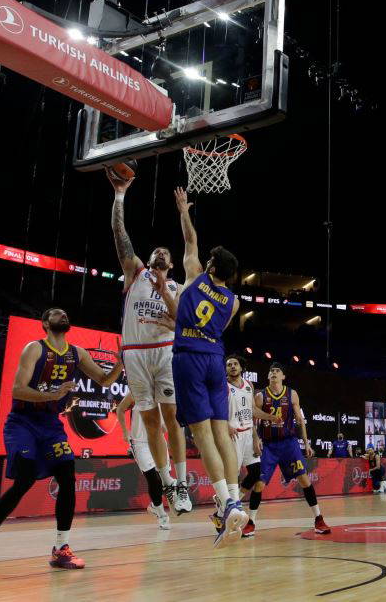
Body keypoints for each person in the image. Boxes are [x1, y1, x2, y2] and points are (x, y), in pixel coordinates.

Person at [0, 307, 123, 575]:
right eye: (56, 314)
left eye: (65, 313)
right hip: (23, 422)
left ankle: (61, 548)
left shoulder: (77, 353)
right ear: (44, 323)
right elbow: (17, 389)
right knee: (25, 479)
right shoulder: (34, 349)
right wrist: (54, 395)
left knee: (67, 475)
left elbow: (105, 379)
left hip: (51, 426)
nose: (62, 315)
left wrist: (122, 361)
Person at [152, 187, 248, 547]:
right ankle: (235, 499)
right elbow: (216, 330)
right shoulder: (234, 301)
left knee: (203, 435)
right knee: (222, 434)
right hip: (215, 358)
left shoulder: (194, 274)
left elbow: (189, 239)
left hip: (189, 358)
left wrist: (182, 210)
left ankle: (226, 504)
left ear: (210, 266)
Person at [108, 171, 191, 516]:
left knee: (171, 418)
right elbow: (119, 233)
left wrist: (162, 291)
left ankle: (182, 484)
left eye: (164, 254)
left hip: (164, 352)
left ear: (170, 265)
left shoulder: (175, 288)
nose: (159, 254)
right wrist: (120, 196)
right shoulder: (135, 273)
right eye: (156, 251)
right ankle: (167, 481)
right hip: (135, 356)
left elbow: (183, 322)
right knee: (152, 423)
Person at [245, 362, 331, 538]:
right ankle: (251, 523)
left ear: (283, 376)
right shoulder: (260, 396)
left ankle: (319, 519)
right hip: (269, 445)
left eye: (278, 371)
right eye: (271, 371)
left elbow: (300, 420)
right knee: (259, 484)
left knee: (304, 480)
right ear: (268, 377)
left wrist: (306, 443)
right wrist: (256, 439)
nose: (274, 373)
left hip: (289, 443)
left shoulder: (292, 394)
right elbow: (253, 421)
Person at [225, 353, 275, 538]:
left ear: (241, 367)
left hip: (247, 433)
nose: (232, 367)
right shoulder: (223, 386)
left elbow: (252, 411)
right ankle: (227, 511)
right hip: (233, 434)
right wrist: (226, 425)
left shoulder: (248, 385)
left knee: (255, 472)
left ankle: (229, 504)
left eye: (235, 364)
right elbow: (216, 409)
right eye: (229, 364)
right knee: (233, 476)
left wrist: (257, 435)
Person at [114, 391, 171, 530]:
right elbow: (120, 409)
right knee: (153, 479)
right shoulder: (136, 390)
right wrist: (124, 432)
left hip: (158, 441)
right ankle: (162, 514)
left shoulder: (164, 390)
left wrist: (165, 427)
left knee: (164, 481)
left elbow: (166, 420)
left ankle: (154, 506)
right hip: (140, 442)